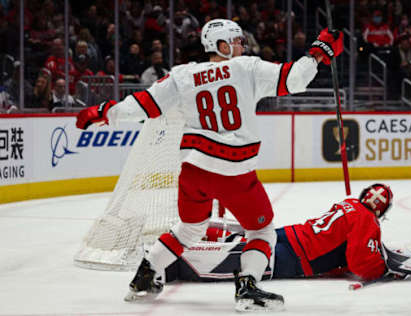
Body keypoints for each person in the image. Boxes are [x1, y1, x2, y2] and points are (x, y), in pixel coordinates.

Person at [76, 19, 343, 312]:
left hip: (193, 172)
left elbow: (144, 105)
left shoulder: (182, 75)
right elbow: (295, 79)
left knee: (190, 228)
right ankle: (248, 287)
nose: (243, 45)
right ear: (223, 46)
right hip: (234, 173)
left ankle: (146, 274)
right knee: (262, 231)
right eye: (238, 41)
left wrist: (104, 112)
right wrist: (320, 51)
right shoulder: (247, 68)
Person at [159, 184, 411, 283]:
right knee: (239, 264)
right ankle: (174, 266)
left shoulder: (349, 204)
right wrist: (383, 270)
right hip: (295, 256)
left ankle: (187, 238)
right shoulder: (368, 220)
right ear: (382, 210)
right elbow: (360, 261)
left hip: (289, 234)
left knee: (248, 242)